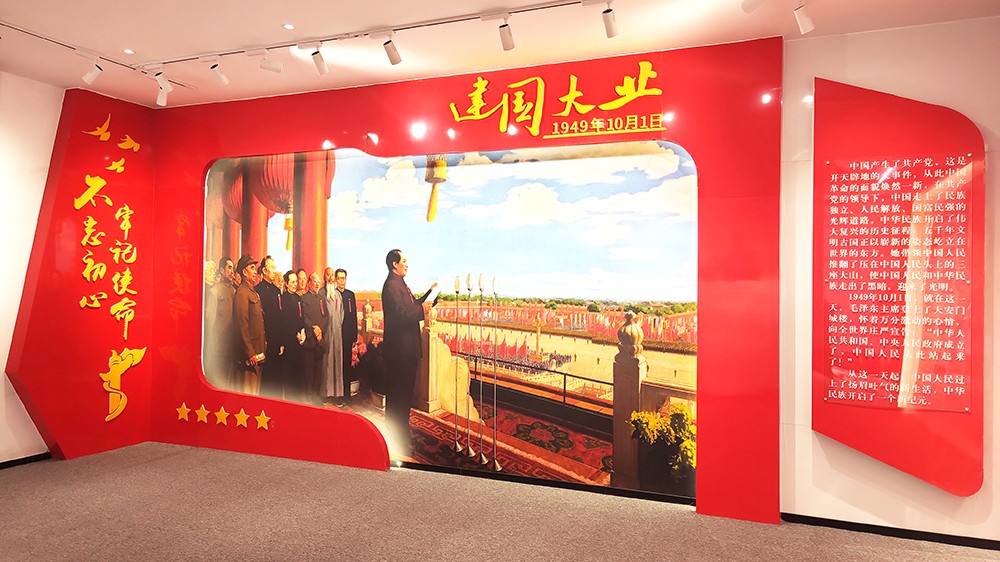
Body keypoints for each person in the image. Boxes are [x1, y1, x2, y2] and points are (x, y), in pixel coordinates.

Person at [380, 249, 436, 452]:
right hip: (400, 352)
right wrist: (422, 310)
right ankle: (398, 438)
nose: (407, 264)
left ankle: (400, 433)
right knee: (399, 396)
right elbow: (402, 314)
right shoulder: (391, 286)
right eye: (404, 261)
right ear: (394, 264)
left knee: (403, 396)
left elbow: (411, 305)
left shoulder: (400, 284)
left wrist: (430, 296)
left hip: (406, 351)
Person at [233, 255, 265, 395]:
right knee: (248, 394)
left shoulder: (252, 292)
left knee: (254, 393)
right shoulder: (242, 293)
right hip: (250, 356)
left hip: (258, 352)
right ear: (244, 272)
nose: (255, 271)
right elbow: (242, 325)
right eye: (252, 268)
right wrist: (249, 352)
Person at [204, 257, 236, 390]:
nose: (232, 271)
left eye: (233, 268)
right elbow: (210, 322)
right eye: (229, 268)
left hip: (232, 347)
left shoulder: (234, 291)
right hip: (218, 347)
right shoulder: (214, 291)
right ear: (222, 270)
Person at [256, 255, 284, 398]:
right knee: (265, 379)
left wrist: (281, 341)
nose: (274, 271)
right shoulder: (258, 290)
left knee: (276, 377)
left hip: (276, 338)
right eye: (271, 268)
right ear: (264, 270)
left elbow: (279, 317)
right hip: (264, 337)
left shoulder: (276, 291)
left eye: (274, 267)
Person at [279, 270, 307, 401]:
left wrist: (302, 332)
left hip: (299, 341)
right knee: (289, 377)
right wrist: (295, 333)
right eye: (292, 282)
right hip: (289, 341)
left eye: (296, 281)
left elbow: (301, 318)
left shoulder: (298, 298)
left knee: (298, 375)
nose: (295, 284)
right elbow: (285, 321)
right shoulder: (283, 299)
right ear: (286, 283)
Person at [300, 272, 328, 404]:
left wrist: (320, 329)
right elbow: (304, 317)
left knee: (318, 372)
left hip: (319, 339)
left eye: (318, 282)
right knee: (308, 372)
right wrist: (314, 328)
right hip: (310, 340)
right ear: (309, 283)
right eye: (314, 281)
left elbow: (326, 316)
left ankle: (316, 396)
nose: (317, 284)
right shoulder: (304, 298)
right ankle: (308, 398)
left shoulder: (321, 299)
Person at [320, 267, 345, 406]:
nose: (330, 277)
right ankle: (326, 393)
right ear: (324, 277)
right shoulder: (321, 294)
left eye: (331, 275)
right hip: (326, 333)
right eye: (327, 275)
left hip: (337, 332)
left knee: (337, 362)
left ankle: (337, 393)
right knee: (327, 363)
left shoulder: (338, 295)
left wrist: (337, 326)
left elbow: (341, 314)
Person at [335, 268, 358, 403]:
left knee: (347, 365)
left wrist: (354, 337)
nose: (341, 281)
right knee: (338, 365)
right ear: (336, 280)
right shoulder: (334, 295)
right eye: (339, 278)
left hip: (348, 336)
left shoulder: (350, 295)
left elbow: (353, 316)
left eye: (343, 278)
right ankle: (338, 395)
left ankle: (347, 395)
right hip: (337, 335)